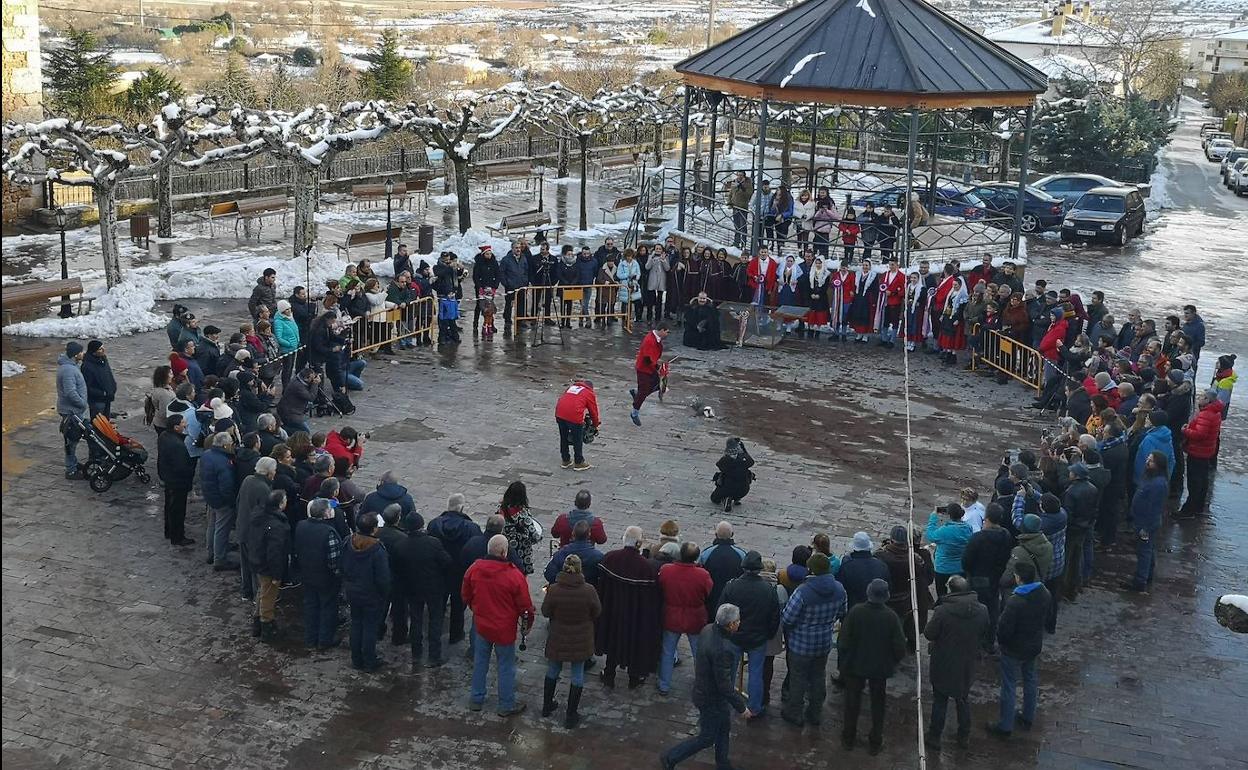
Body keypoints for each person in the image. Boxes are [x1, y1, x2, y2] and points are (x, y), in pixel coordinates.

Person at [658, 604, 751, 770]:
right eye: (737, 621)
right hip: (711, 698)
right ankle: (670, 757)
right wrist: (741, 707)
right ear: (730, 625)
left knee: (723, 727)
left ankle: (723, 765)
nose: (739, 623)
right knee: (707, 737)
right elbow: (724, 685)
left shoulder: (708, 629)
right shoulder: (724, 649)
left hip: (704, 690)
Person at [463, 534, 534, 715]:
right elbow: (525, 606)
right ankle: (505, 705)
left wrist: (476, 608)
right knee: (505, 666)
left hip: (482, 625)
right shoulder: (514, 576)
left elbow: (466, 594)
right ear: (504, 552)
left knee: (480, 662)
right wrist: (527, 624)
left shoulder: (474, 569)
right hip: (504, 628)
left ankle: (476, 699)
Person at [924, 575, 993, 750]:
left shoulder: (943, 611)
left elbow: (929, 634)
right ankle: (964, 736)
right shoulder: (983, 610)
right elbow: (985, 632)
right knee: (962, 698)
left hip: (943, 661)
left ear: (951, 590)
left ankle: (934, 736)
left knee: (940, 700)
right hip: (967, 661)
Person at [838, 579, 907, 755]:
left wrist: (843, 664)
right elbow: (899, 646)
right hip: (880, 667)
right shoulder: (891, 617)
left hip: (855, 665)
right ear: (886, 596)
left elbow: (843, 641)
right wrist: (893, 661)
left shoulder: (856, 612)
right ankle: (875, 740)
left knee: (852, 703)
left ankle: (848, 737)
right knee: (878, 704)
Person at [779, 551, 846, 727]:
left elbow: (787, 618)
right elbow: (842, 612)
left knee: (798, 678)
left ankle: (795, 712)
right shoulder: (839, 589)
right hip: (823, 643)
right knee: (818, 676)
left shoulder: (803, 592)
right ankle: (815, 712)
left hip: (801, 644)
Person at [986, 561, 1051, 738]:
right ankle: (1028, 716)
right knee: (1030, 680)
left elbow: (1004, 628)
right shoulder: (1044, 593)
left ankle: (1005, 725)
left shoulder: (1016, 601)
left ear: (1018, 578)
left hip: (1014, 649)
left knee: (1009, 685)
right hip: (1033, 645)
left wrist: (1002, 644)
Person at [595, 527, 662, 688]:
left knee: (612, 641)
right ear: (639, 543)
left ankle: (609, 674)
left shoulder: (610, 558)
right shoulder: (646, 568)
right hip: (634, 615)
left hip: (612, 611)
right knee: (634, 644)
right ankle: (633, 677)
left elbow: (601, 587)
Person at [540, 553, 602, 728]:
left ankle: (547, 705)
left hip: (558, 635)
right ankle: (571, 714)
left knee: (553, 669)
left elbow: (545, 611)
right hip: (580, 638)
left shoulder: (553, 589)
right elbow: (597, 611)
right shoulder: (589, 590)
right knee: (577, 673)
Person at [719, 551, 781, 718]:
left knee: (729, 671)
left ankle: (728, 703)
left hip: (734, 636)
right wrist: (768, 633)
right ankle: (754, 707)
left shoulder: (732, 586)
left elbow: (722, 610)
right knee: (756, 674)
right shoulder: (768, 589)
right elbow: (775, 615)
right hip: (757, 638)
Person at [391, 512, 453, 666]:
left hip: (411, 588)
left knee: (416, 619)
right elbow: (447, 562)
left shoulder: (400, 545)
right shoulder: (433, 543)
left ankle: (416, 652)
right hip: (433, 588)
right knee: (435, 620)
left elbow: (396, 569)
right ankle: (434, 655)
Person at [656, 542, 712, 696]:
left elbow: (661, 587)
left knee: (667, 652)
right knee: (698, 653)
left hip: (672, 615)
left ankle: (664, 684)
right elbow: (708, 592)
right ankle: (701, 685)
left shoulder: (666, 570)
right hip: (695, 617)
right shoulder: (703, 575)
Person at [427, 494, 483, 647]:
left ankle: (434, 635)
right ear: (462, 508)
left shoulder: (434, 525)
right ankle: (456, 634)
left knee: (438, 606)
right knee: (458, 606)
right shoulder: (472, 528)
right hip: (461, 573)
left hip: (439, 572)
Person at [342, 511, 391, 672]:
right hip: (371, 594)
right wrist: (384, 594)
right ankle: (369, 660)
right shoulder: (377, 550)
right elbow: (383, 578)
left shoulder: (348, 542)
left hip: (352, 590)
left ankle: (356, 658)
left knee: (356, 623)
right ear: (373, 529)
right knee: (370, 627)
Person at [294, 498, 342, 650]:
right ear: (326, 513)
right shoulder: (329, 532)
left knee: (310, 606)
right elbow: (334, 560)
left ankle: (310, 638)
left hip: (307, 574)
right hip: (325, 577)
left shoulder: (301, 525)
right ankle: (324, 639)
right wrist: (338, 575)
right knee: (328, 607)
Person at [246, 490, 291, 642]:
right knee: (269, 596)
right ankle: (267, 626)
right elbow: (275, 553)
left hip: (257, 560)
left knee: (262, 592)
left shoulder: (259, 516)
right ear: (280, 504)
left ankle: (257, 621)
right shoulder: (277, 525)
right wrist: (277, 575)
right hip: (268, 566)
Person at [874, 525, 929, 651]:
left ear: (892, 540)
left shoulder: (881, 556)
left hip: (887, 598)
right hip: (905, 599)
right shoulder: (915, 559)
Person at [1121, 451, 1169, 593]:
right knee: (1148, 549)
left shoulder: (1158, 484)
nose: (1147, 463)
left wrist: (1145, 528)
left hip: (1146, 523)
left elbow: (1154, 508)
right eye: (1148, 459)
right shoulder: (1151, 478)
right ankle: (1147, 575)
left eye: (1151, 461)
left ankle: (1140, 581)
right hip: (1142, 520)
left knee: (1144, 551)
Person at [962, 505, 1014, 631]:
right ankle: (990, 637)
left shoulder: (978, 538)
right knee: (992, 607)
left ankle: (977, 636)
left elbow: (966, 561)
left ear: (987, 518)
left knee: (975, 607)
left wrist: (969, 572)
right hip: (996, 577)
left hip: (978, 577)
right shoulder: (1006, 535)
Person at [1177, 389, 1224, 517]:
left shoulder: (1206, 414)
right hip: (1206, 450)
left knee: (1194, 481)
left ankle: (1189, 510)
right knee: (1203, 479)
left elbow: (1200, 434)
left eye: (1202, 396)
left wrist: (1185, 431)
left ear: (1208, 400)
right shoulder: (1215, 412)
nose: (1199, 398)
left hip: (1198, 450)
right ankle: (1198, 506)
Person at [201, 432, 239, 571]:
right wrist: (231, 502)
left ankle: (211, 552)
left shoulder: (207, 455)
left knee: (212, 525)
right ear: (225, 445)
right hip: (222, 500)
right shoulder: (224, 462)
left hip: (210, 496)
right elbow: (227, 487)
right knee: (222, 529)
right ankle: (220, 559)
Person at [1061, 464, 1098, 601]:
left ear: (1076, 475)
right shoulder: (1092, 488)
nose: (1069, 473)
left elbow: (1068, 514)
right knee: (1078, 556)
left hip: (1073, 529)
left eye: (1071, 472)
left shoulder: (1071, 492)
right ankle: (1074, 587)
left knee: (1067, 559)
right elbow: (1094, 509)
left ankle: (1064, 588)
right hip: (1085, 526)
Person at [157, 414, 195, 547]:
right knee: (178, 510)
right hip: (178, 481)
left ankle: (169, 531)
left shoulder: (164, 436)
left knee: (169, 506)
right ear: (176, 427)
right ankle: (177, 536)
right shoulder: (177, 446)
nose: (185, 425)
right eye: (183, 423)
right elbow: (182, 467)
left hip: (168, 478)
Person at [56, 342, 90, 479]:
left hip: (73, 410)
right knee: (71, 440)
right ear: (75, 354)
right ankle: (71, 469)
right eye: (81, 352)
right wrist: (82, 403)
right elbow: (70, 392)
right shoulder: (69, 370)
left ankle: (73, 463)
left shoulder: (70, 367)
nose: (83, 354)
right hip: (72, 411)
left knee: (72, 439)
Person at [698, 521, 746, 617]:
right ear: (732, 534)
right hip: (733, 598)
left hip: (711, 597)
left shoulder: (707, 553)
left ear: (716, 535)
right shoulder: (741, 554)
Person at [926, 503, 972, 598]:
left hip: (943, 568)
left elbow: (930, 535)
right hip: (960, 567)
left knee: (941, 593)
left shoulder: (944, 531)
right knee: (960, 593)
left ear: (949, 515)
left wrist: (933, 517)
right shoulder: (968, 528)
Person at [836, 532, 891, 609]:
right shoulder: (882, 565)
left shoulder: (847, 566)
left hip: (853, 609)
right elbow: (888, 587)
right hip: (876, 609)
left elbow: (840, 588)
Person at [555, 379, 600, 471]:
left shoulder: (571, 388)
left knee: (563, 437)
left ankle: (565, 460)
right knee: (577, 439)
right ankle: (579, 462)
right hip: (574, 416)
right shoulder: (589, 393)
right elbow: (593, 412)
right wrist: (595, 424)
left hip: (559, 413)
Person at [630, 323, 670, 426]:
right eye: (667, 332)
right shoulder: (650, 341)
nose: (667, 334)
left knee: (657, 385)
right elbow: (648, 359)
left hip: (649, 368)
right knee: (644, 391)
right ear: (661, 330)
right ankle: (634, 412)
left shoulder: (655, 338)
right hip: (644, 369)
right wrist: (657, 367)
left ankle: (637, 393)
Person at [545, 520, 606, 586]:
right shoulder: (599, 557)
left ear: (573, 534)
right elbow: (602, 579)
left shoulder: (560, 554)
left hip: (564, 590)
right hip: (587, 591)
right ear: (589, 534)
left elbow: (549, 574)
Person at [710, 437, 755, 511]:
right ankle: (737, 498)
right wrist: (743, 450)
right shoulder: (745, 458)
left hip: (727, 488)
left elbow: (719, 465)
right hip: (744, 489)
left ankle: (726, 499)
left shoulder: (726, 459)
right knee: (743, 477)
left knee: (714, 499)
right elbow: (751, 462)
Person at [80, 340, 117, 419]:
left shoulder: (103, 360)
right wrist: (102, 393)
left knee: (106, 423)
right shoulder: (87, 366)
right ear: (94, 352)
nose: (103, 350)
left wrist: (113, 387)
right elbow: (87, 386)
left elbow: (109, 375)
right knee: (98, 424)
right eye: (100, 349)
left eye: (103, 347)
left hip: (107, 397)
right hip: (97, 401)